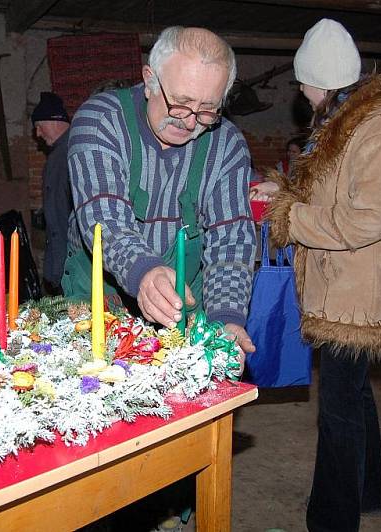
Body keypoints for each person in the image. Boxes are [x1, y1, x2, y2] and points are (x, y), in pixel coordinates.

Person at [253, 18, 381, 531]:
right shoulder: (349, 122)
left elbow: (365, 219)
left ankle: (332, 519)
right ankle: (369, 493)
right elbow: (333, 195)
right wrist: (282, 194)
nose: (301, 92)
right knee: (355, 395)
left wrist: (288, 217)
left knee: (339, 410)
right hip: (344, 281)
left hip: (358, 291)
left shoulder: (378, 130)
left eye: (305, 81)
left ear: (322, 79)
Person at [63, 26, 257, 362]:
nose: (189, 121)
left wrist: (227, 318)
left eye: (207, 110)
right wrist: (145, 272)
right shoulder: (100, 121)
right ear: (150, 79)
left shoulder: (226, 145)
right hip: (100, 302)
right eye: (180, 103)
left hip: (188, 305)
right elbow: (104, 218)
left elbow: (232, 239)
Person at [31, 91, 71, 295]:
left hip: (71, 264)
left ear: (55, 120)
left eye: (40, 126)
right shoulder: (58, 155)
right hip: (63, 264)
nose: (38, 133)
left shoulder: (71, 152)